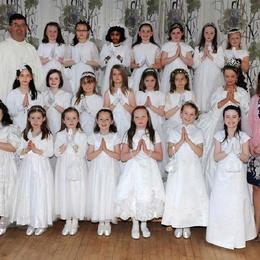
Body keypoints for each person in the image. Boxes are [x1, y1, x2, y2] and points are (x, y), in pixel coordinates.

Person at [206, 105, 256, 249]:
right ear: (224, 119)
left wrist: (238, 152)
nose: (231, 120)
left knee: (236, 203)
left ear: (239, 118)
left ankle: (237, 236)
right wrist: (227, 151)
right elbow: (216, 157)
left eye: (234, 117)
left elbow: (246, 158)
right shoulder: (219, 136)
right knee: (222, 202)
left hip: (237, 177)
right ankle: (220, 236)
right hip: (222, 176)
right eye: (228, 117)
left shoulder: (244, 137)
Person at [198, 61, 250, 193]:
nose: (230, 79)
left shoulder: (242, 92)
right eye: (227, 76)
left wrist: (235, 100)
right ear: (223, 76)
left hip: (236, 124)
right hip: (219, 122)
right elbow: (213, 107)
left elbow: (246, 109)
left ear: (237, 76)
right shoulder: (218, 90)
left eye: (232, 76)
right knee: (213, 152)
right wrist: (226, 99)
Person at [116, 106, 165, 239]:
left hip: (149, 169)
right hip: (134, 168)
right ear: (132, 119)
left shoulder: (154, 133)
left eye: (143, 116)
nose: (140, 119)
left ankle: (144, 224)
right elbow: (123, 157)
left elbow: (160, 156)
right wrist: (136, 150)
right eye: (136, 117)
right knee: (134, 195)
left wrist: (148, 151)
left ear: (148, 117)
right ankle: (135, 224)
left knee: (147, 194)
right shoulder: (129, 134)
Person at [162, 102, 208, 238]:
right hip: (179, 169)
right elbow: (170, 152)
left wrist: (188, 140)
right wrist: (181, 141)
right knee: (178, 193)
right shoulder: (174, 131)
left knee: (189, 194)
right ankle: (178, 223)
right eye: (186, 113)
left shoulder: (198, 132)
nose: (188, 116)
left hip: (192, 169)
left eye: (191, 114)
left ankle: (187, 223)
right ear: (181, 114)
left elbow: (200, 152)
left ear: (195, 117)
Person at [10, 106, 54, 236]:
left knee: (39, 192)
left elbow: (50, 152)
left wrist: (36, 150)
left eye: (39, 118)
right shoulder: (25, 133)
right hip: (28, 167)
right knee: (28, 192)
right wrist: (26, 149)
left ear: (44, 119)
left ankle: (40, 222)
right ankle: (30, 221)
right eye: (33, 118)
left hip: (41, 167)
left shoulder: (47, 134)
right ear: (28, 119)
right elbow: (19, 151)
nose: (35, 120)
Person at [86, 109, 121, 236]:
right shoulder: (93, 136)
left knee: (109, 193)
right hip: (97, 170)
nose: (104, 121)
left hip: (110, 171)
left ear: (111, 121)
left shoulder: (115, 136)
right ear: (97, 121)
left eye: (107, 119)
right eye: (101, 119)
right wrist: (100, 149)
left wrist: (105, 149)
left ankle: (107, 220)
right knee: (98, 192)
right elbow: (89, 157)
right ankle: (101, 220)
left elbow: (118, 156)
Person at [54, 107, 88, 236]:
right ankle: (67, 219)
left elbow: (81, 153)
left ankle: (75, 220)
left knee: (76, 191)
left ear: (78, 119)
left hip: (77, 165)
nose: (71, 121)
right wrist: (65, 143)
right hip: (64, 165)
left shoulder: (82, 135)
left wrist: (73, 142)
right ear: (63, 120)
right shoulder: (60, 134)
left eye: (74, 118)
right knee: (65, 191)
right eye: (68, 118)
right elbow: (56, 152)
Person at [0, 13, 43, 100]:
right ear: (9, 28)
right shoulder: (2, 47)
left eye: (23, 25)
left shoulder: (31, 49)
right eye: (16, 25)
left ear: (26, 28)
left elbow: (39, 75)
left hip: (29, 100)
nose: (19, 28)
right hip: (4, 97)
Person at [193, 23, 224, 112]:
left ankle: (211, 112)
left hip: (213, 76)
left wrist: (210, 56)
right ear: (203, 34)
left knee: (211, 92)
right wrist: (203, 56)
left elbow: (221, 64)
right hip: (201, 76)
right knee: (200, 93)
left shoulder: (218, 48)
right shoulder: (198, 48)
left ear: (215, 35)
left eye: (211, 33)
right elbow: (194, 65)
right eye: (206, 33)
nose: (209, 35)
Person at [0, 101, 20, 235]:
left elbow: (13, 147)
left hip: (5, 162)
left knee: (5, 189)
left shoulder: (10, 128)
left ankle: (4, 218)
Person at [64, 20, 99, 94]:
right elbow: (65, 63)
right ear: (76, 32)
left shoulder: (91, 45)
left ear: (88, 32)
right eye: (79, 30)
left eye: (84, 30)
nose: (81, 32)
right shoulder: (71, 45)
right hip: (75, 73)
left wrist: (87, 61)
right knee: (75, 92)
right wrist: (74, 61)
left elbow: (97, 63)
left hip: (88, 73)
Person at [6, 64, 43, 132]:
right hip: (17, 130)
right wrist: (22, 106)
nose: (25, 78)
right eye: (22, 75)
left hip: (34, 130)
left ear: (31, 77)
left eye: (27, 75)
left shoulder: (38, 95)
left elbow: (41, 113)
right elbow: (9, 112)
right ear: (17, 77)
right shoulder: (12, 94)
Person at [103, 65, 136, 140]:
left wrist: (123, 103)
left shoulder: (129, 92)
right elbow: (104, 112)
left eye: (119, 74)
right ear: (111, 76)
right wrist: (114, 104)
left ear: (123, 75)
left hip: (126, 122)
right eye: (114, 74)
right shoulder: (107, 93)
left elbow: (134, 110)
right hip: (113, 122)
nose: (117, 76)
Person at [161, 23, 193, 94]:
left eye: (178, 33)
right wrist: (175, 56)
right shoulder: (166, 46)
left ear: (182, 33)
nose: (176, 35)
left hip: (183, 72)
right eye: (173, 33)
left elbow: (190, 63)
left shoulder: (186, 47)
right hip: (169, 72)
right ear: (170, 34)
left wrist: (181, 56)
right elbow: (163, 62)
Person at [100, 25, 131, 95]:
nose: (115, 37)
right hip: (109, 73)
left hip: (120, 73)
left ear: (121, 36)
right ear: (109, 36)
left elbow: (127, 63)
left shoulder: (124, 48)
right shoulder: (106, 47)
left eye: (117, 35)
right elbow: (101, 64)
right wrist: (109, 56)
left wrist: (118, 56)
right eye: (112, 35)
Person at [247, 72, 260, 240]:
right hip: (255, 149)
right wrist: (251, 144)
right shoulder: (255, 99)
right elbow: (249, 124)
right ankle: (257, 228)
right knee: (257, 189)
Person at [130, 22, 161, 92]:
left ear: (151, 34)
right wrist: (136, 65)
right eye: (143, 31)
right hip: (138, 74)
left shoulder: (155, 48)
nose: (145, 34)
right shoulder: (135, 47)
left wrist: (152, 65)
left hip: (151, 73)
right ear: (139, 34)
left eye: (148, 31)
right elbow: (131, 64)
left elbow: (159, 65)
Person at [71, 72, 103, 136]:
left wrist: (88, 110)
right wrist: (79, 110)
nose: (87, 86)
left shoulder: (99, 99)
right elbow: (72, 114)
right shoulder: (76, 98)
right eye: (84, 83)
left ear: (94, 83)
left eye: (90, 83)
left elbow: (101, 117)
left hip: (94, 130)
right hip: (79, 130)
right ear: (81, 85)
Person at [42, 69, 71, 135]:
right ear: (47, 80)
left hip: (60, 125)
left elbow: (67, 113)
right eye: (51, 79)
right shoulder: (43, 94)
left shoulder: (66, 95)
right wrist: (48, 105)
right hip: (46, 125)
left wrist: (55, 105)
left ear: (60, 80)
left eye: (56, 78)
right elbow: (41, 112)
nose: (53, 81)